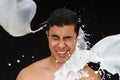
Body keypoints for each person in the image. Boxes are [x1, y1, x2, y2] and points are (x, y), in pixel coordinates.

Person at [16, 8, 101, 80]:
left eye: (67, 38)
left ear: (77, 37)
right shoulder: (28, 76)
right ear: (47, 35)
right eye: (55, 38)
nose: (61, 45)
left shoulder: (90, 77)